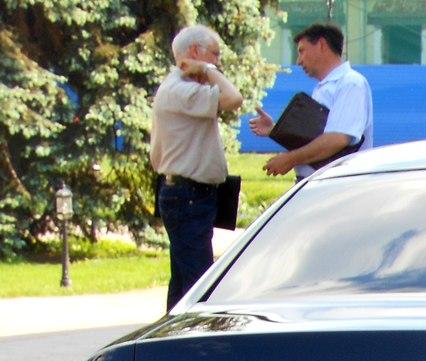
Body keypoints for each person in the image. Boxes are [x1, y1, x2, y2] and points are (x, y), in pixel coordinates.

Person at [151, 24, 244, 310]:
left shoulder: (183, 88)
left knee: (183, 284)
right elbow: (234, 99)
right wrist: (207, 69)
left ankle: (169, 345)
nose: (218, 62)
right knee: (199, 285)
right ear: (194, 52)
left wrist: (205, 69)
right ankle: (194, 345)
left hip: (191, 196)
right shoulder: (181, 90)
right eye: (214, 55)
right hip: (188, 197)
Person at [249, 23, 372, 179]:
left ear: (321, 45)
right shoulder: (323, 87)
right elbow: (316, 136)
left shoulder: (351, 83)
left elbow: (338, 139)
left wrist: (290, 159)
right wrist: (275, 130)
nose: (299, 61)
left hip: (336, 184)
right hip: (319, 183)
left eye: (302, 51)